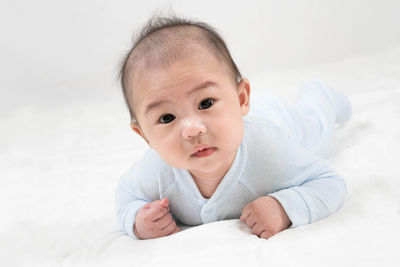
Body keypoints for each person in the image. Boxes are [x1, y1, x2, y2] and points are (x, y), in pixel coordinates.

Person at [115, 16, 351, 240]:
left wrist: (284, 207)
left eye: (205, 103)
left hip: (279, 120)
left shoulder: (270, 149)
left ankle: (320, 95)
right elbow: (127, 195)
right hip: (241, 117)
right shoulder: (155, 170)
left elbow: (330, 182)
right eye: (167, 117)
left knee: (319, 131)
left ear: (241, 99)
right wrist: (137, 220)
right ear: (144, 135)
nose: (193, 130)